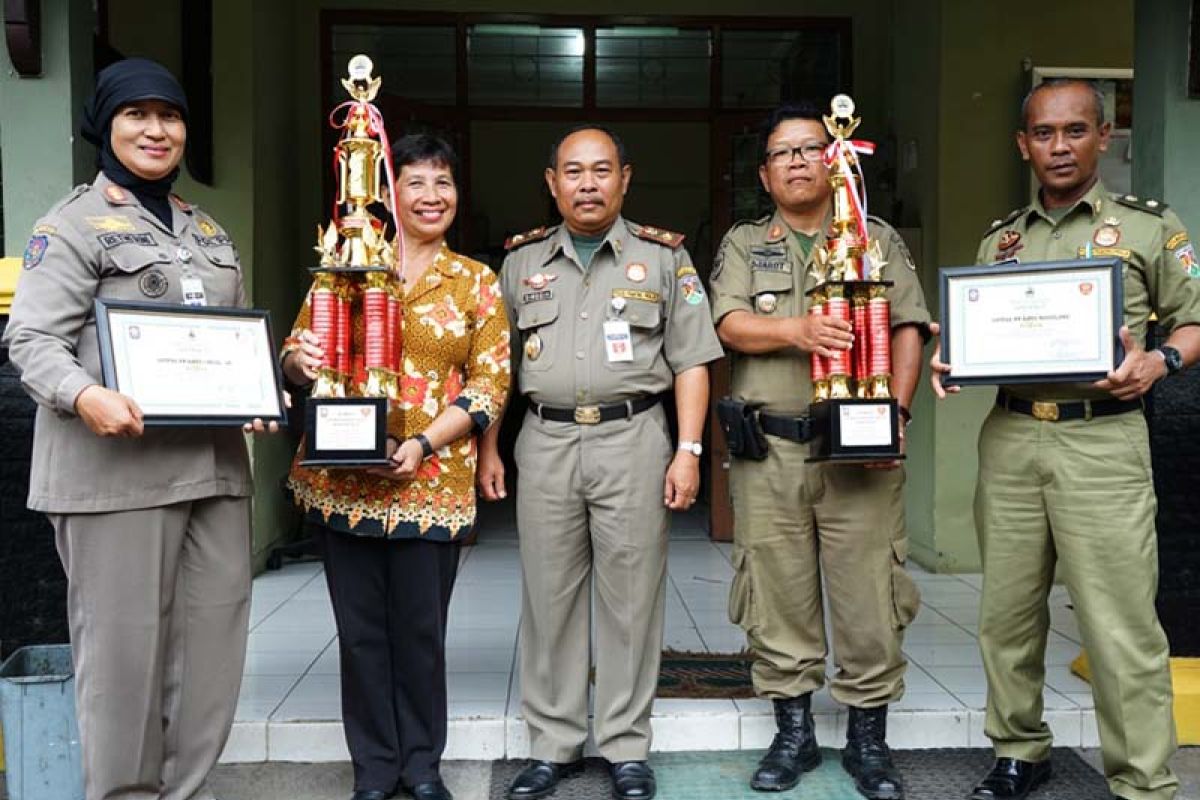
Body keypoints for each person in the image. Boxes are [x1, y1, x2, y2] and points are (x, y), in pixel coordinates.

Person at [3, 58, 279, 800]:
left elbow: (228, 342)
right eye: (137, 115)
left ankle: (184, 793)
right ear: (107, 124)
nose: (157, 130)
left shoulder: (207, 230)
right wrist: (85, 395)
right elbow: (30, 341)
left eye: (171, 116)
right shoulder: (71, 225)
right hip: (113, 481)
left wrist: (259, 390)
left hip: (213, 475)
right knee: (124, 666)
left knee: (211, 664)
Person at [930, 78, 1200, 800]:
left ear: (1102, 137)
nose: (1059, 146)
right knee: (1007, 615)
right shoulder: (1000, 239)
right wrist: (951, 358)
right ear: (1024, 144)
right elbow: (980, 333)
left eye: (1075, 131)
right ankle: (1020, 751)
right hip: (1013, 436)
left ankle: (1142, 778)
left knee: (1120, 624)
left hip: (1104, 442)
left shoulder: (1148, 228)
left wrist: (1159, 361)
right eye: (1044, 134)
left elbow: (1194, 322)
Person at [477, 125, 723, 800]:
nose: (588, 183)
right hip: (546, 442)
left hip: (635, 440)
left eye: (601, 170)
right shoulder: (522, 264)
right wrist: (490, 446)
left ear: (625, 178)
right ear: (552, 183)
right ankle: (552, 745)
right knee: (549, 598)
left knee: (631, 601)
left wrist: (689, 451)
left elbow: (693, 362)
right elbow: (495, 369)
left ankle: (624, 746)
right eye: (574, 172)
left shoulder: (664, 259)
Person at [707, 102, 928, 799]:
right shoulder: (746, 243)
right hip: (769, 453)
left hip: (860, 456)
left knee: (869, 592)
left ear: (837, 157)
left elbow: (908, 329)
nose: (799, 161)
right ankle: (793, 735)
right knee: (776, 592)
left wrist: (894, 415)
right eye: (784, 153)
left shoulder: (876, 237)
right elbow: (731, 323)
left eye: (810, 148)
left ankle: (868, 741)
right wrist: (799, 331)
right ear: (766, 174)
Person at [283, 133, 510, 800]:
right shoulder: (342, 262)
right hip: (340, 481)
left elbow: (490, 385)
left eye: (444, 182)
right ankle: (375, 771)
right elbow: (299, 349)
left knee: (419, 635)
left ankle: (421, 766)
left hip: (430, 483)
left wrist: (424, 444)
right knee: (360, 637)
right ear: (387, 191)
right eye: (416, 182)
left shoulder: (474, 281)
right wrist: (299, 363)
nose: (431, 196)